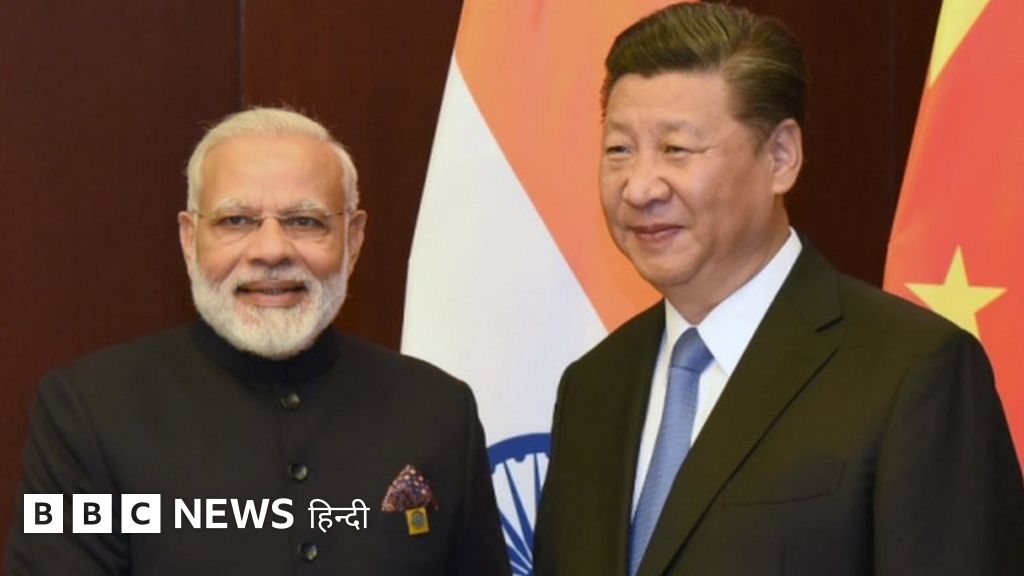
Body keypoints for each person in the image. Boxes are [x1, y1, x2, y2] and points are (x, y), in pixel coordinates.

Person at [533, 3, 1023, 575]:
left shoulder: (912, 372)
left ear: (781, 157)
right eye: (619, 150)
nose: (640, 188)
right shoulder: (593, 387)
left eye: (676, 149)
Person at [5, 107, 510, 575]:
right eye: (236, 221)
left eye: (305, 221)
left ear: (353, 241)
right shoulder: (89, 413)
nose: (270, 250)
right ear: (189, 239)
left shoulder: (438, 411)